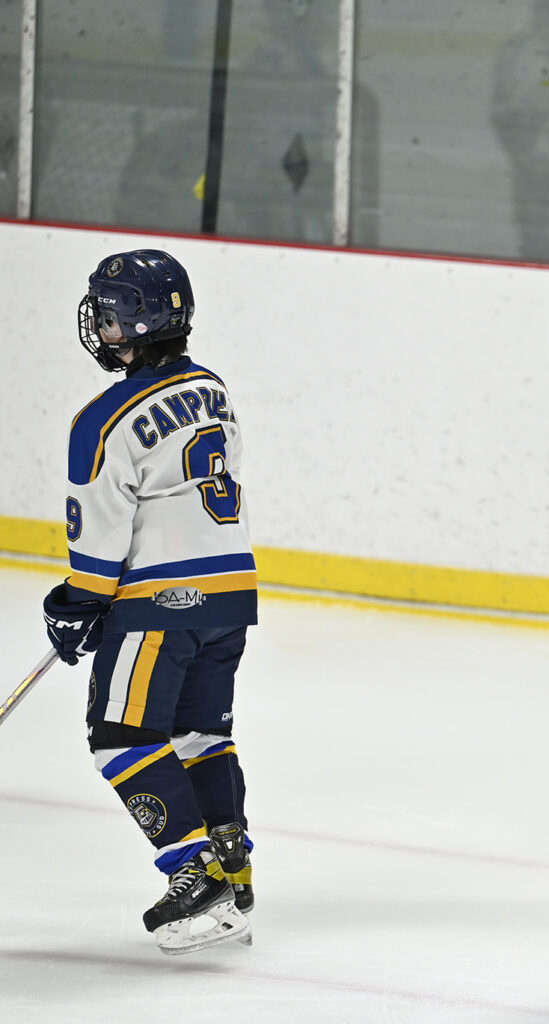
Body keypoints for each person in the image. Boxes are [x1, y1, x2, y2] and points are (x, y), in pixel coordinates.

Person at [41, 250, 257, 956]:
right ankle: (233, 869)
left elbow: (100, 533)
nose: (102, 328)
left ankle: (197, 876)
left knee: (120, 735)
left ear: (137, 323)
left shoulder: (103, 419)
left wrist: (77, 602)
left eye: (109, 316)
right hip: (230, 592)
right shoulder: (212, 388)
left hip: (160, 601)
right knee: (199, 735)